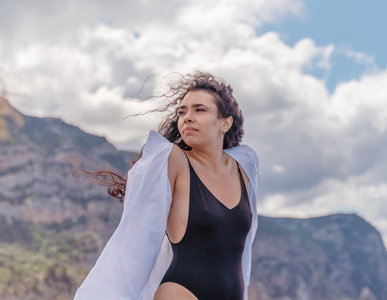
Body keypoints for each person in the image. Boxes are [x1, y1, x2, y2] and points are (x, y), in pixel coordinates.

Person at [73, 72, 259, 300]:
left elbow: (244, 252)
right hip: (181, 293)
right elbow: (136, 238)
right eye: (182, 112)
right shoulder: (173, 160)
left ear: (225, 122)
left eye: (199, 110)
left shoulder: (245, 167)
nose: (187, 117)